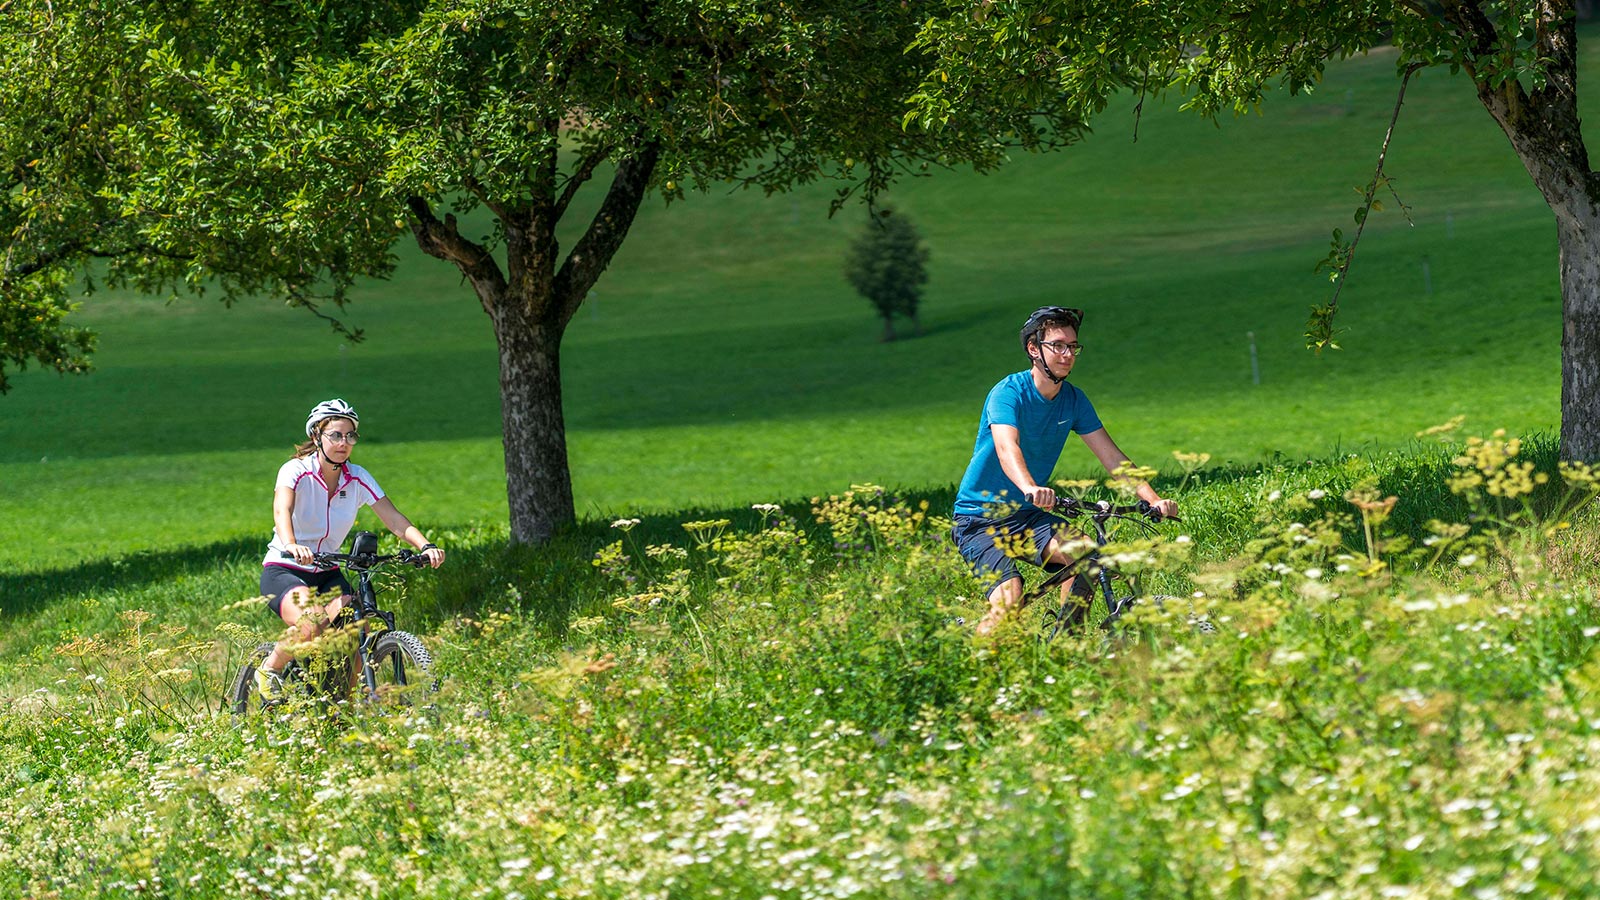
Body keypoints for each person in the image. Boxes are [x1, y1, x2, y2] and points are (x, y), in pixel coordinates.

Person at [952, 307, 1177, 635]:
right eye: (1058, 345)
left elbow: (1112, 457)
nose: (1068, 353)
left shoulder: (1073, 400)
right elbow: (1006, 447)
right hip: (979, 519)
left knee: (1087, 556)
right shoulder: (1008, 393)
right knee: (1009, 596)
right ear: (1034, 349)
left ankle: (1066, 644)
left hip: (1026, 517)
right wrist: (1029, 486)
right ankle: (977, 673)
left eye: (1073, 346)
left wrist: (1154, 499)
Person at [255, 399, 445, 701]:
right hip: (286, 568)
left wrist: (425, 545)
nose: (344, 443)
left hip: (327, 569)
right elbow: (282, 510)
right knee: (313, 620)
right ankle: (269, 669)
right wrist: (291, 544)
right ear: (318, 436)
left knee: (357, 631)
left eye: (350, 436)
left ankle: (342, 708)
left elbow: (393, 518)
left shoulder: (357, 477)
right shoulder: (295, 470)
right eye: (336, 435)